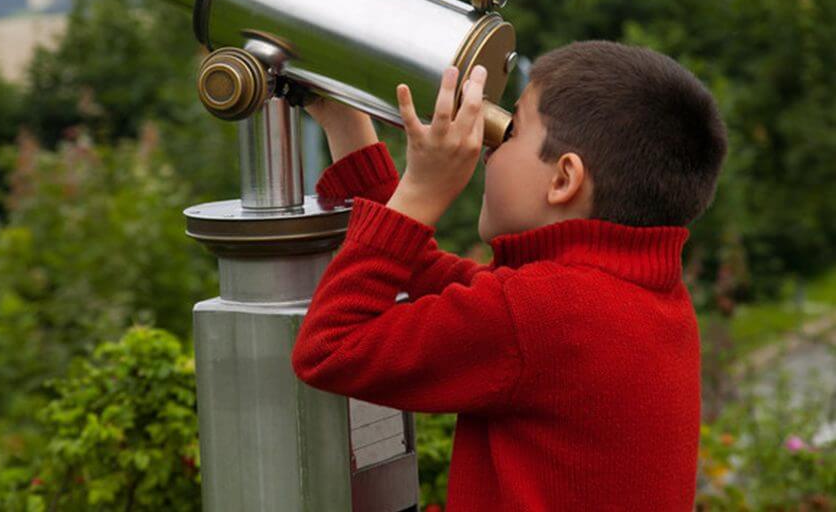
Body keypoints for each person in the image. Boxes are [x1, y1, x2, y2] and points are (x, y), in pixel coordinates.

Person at [291, 40, 728, 511]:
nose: (486, 150)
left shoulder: (543, 312)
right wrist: (347, 125)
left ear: (563, 179)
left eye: (512, 130)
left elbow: (331, 347)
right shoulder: (639, 296)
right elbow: (447, 286)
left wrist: (421, 192)